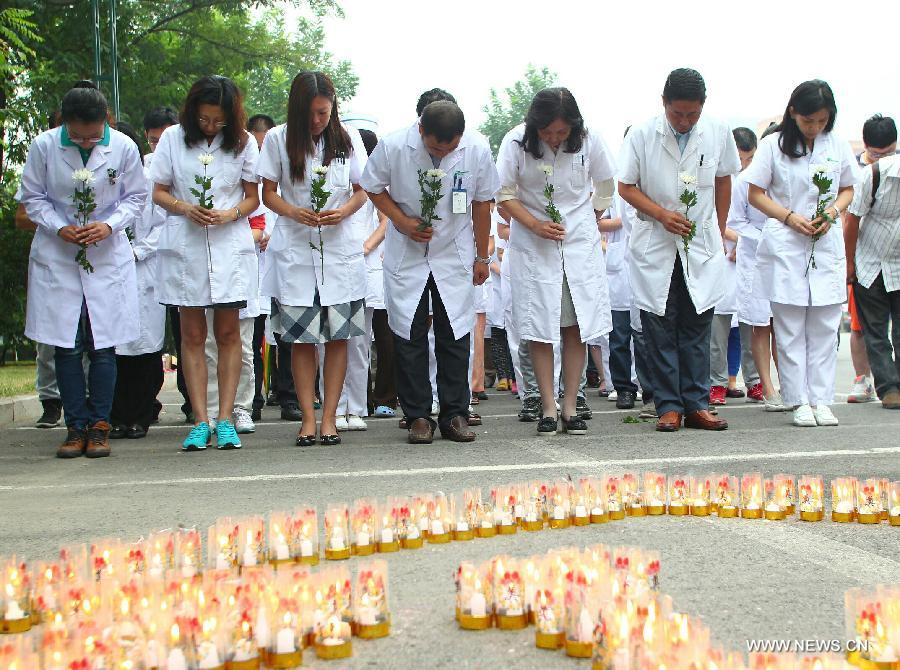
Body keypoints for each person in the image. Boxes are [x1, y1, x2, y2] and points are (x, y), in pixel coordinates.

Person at [20, 81, 146, 458]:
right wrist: (59, 226)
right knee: (67, 346)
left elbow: (136, 197)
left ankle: (100, 425)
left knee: (103, 345)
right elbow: (32, 198)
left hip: (106, 255)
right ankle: (75, 426)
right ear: (64, 123)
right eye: (78, 136)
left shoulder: (123, 147)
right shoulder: (44, 146)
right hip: (58, 255)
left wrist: (109, 225)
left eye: (93, 137)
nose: (87, 143)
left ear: (105, 121)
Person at [361, 100, 499, 444]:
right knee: (409, 334)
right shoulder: (394, 145)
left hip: (454, 252)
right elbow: (372, 187)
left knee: (456, 333)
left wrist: (482, 257)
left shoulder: (477, 149)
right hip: (407, 253)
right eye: (437, 147)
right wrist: (402, 221)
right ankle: (418, 415)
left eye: (451, 148)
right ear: (421, 130)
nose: (444, 153)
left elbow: (483, 203)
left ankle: (455, 413)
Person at [618, 68, 740, 432]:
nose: (684, 121)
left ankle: (697, 403)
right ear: (664, 103)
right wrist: (660, 215)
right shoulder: (642, 134)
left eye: (692, 114)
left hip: (700, 244)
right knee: (660, 325)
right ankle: (668, 405)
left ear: (703, 106)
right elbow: (626, 186)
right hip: (656, 242)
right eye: (677, 114)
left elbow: (722, 179)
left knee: (697, 323)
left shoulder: (718, 131)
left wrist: (717, 228)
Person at [258, 71, 368, 446]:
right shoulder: (277, 138)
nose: (318, 120)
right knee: (302, 339)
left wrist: (344, 211)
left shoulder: (348, 138)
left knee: (338, 337)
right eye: (311, 114)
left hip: (339, 250)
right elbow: (268, 193)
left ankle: (330, 418)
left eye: (323, 112)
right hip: (296, 249)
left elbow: (362, 190)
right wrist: (291, 211)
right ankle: (307, 417)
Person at [497, 87, 616, 436]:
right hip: (534, 244)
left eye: (561, 133)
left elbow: (607, 184)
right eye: (547, 132)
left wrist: (589, 217)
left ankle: (570, 406)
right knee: (539, 324)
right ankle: (547, 407)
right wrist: (534, 224)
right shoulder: (515, 142)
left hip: (578, 243)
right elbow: (503, 193)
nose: (554, 139)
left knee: (575, 323)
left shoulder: (589, 140)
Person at [150, 75, 260, 450]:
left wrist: (230, 214)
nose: (211, 126)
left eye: (219, 121)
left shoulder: (243, 142)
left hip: (229, 245)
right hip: (187, 245)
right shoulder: (171, 139)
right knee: (192, 336)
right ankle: (200, 419)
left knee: (229, 334)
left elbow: (252, 198)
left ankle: (226, 417)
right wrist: (185, 208)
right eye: (205, 120)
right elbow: (159, 192)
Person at [746, 80, 860, 427]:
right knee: (790, 326)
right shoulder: (772, 146)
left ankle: (822, 399)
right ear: (794, 112)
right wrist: (788, 217)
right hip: (786, 240)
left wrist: (832, 213)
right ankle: (797, 400)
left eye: (822, 121)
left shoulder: (836, 144)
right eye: (809, 120)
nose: (815, 128)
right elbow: (755, 193)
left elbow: (848, 189)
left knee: (825, 326)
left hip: (824, 242)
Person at [110, 120, 168, 439]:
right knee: (114, 346)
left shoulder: (150, 182)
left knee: (145, 346)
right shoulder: (103, 185)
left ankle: (142, 414)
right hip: (112, 271)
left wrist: (137, 251)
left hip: (144, 268)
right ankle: (117, 415)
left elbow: (163, 226)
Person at [727, 125, 783, 410]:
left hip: (786, 259)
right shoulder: (745, 180)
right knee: (761, 325)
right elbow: (734, 221)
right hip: (757, 258)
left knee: (786, 326)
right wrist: (765, 239)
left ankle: (790, 384)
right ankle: (768, 387)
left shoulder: (789, 179)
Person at [15, 111, 65, 429]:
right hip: (54, 258)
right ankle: (50, 399)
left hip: (93, 258)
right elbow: (22, 216)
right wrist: (58, 225)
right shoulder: (42, 158)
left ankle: (89, 403)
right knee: (50, 338)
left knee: (91, 339)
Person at [844, 129, 900, 409]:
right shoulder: (871, 176)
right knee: (873, 331)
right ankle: (888, 388)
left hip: (899, 265)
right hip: (870, 265)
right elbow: (851, 220)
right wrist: (850, 263)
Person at [709, 127, 761, 406]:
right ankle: (716, 382)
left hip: (748, 258)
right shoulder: (718, 179)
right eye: (740, 158)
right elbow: (714, 219)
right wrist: (734, 238)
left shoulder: (756, 181)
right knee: (718, 328)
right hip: (722, 259)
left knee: (750, 324)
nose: (744, 165)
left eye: (750, 158)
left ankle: (754, 380)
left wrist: (745, 242)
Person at [246, 113, 278, 422]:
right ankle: (252, 398)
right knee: (249, 339)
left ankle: (280, 394)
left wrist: (274, 236)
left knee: (279, 337)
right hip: (246, 266)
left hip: (275, 263)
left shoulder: (279, 174)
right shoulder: (246, 179)